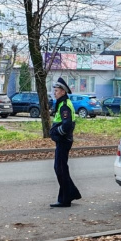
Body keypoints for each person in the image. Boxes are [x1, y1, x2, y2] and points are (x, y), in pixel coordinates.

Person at [49, 77, 81, 208]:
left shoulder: (65, 105)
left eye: (56, 91)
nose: (54, 93)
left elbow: (67, 125)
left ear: (62, 92)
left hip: (63, 141)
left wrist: (57, 134)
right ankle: (71, 193)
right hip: (63, 142)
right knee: (61, 169)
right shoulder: (62, 103)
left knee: (60, 169)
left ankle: (65, 199)